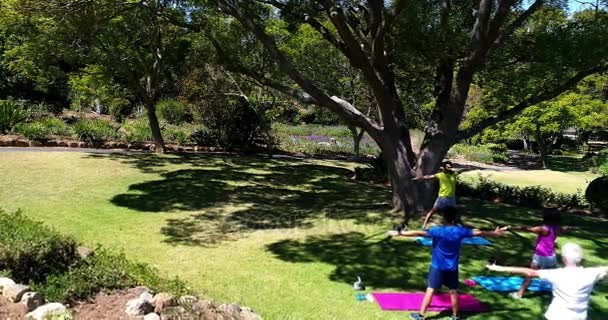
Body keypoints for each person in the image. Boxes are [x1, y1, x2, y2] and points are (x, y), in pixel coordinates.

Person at [387, 207, 508, 320]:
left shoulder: (437, 231)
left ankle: (420, 315)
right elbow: (479, 232)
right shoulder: (460, 231)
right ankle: (455, 316)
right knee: (453, 291)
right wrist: (494, 233)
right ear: (455, 218)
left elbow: (418, 233)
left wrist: (400, 233)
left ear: (444, 218)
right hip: (452, 268)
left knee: (431, 289)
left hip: (437, 267)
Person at [487, 243, 608, 320]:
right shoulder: (592, 273)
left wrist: (500, 268)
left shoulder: (556, 274)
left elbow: (530, 272)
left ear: (564, 258)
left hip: (557, 316)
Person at [508, 208, 576, 299]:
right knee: (555, 278)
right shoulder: (556, 228)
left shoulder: (543, 229)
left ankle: (519, 294)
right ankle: (565, 294)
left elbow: (526, 229)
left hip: (539, 256)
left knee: (529, 275)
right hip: (551, 257)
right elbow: (567, 228)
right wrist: (574, 228)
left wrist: (510, 227)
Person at [412, 161, 461, 230]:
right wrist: (419, 178)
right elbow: (429, 177)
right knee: (433, 211)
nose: (449, 168)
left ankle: (455, 228)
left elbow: (461, 170)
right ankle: (424, 226)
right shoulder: (440, 175)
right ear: (444, 168)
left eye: (450, 167)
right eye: (448, 167)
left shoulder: (453, 174)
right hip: (442, 197)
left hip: (451, 198)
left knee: (455, 212)